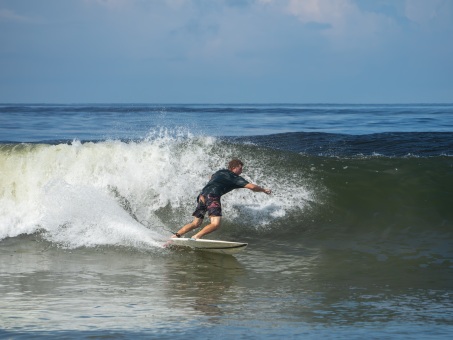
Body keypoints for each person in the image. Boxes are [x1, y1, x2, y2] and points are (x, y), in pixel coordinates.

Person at [172, 159, 271, 240]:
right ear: (234, 168)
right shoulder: (234, 177)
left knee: (195, 223)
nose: (241, 171)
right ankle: (196, 237)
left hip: (202, 196)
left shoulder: (220, 172)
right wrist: (263, 190)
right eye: (240, 168)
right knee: (215, 224)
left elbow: (211, 177)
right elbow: (252, 187)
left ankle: (175, 236)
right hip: (212, 196)